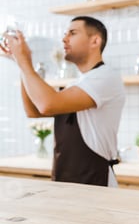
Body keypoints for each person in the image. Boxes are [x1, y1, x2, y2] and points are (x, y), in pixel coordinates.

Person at [1, 16, 125, 187]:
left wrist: (25, 61)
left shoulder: (106, 76)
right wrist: (20, 64)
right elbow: (34, 111)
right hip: (66, 182)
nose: (64, 39)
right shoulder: (77, 83)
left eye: (72, 33)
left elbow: (47, 104)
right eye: (65, 33)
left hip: (95, 184)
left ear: (95, 41)